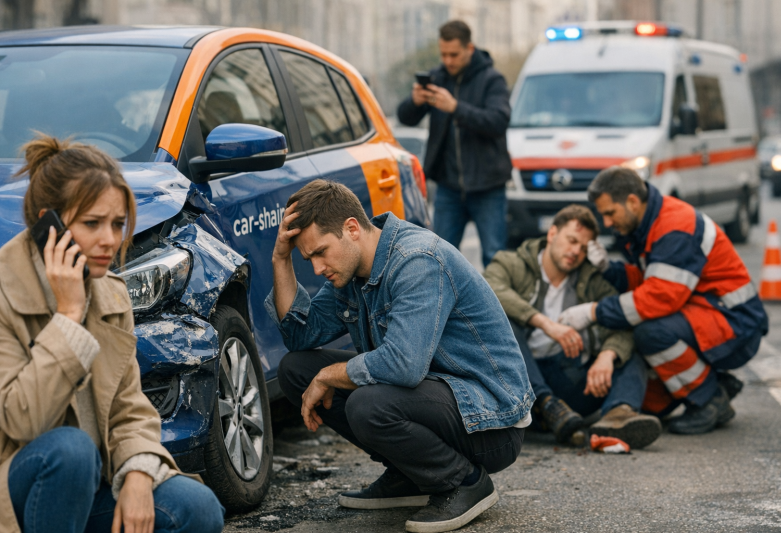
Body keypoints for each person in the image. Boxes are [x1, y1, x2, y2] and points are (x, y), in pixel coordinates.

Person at [268, 180, 532, 533]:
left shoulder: (416, 260)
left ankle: (464, 482)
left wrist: (330, 375)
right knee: (296, 370)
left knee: (367, 404)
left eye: (321, 252)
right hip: (437, 400)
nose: (317, 268)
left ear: (351, 229)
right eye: (309, 258)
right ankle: (411, 473)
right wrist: (280, 258)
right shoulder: (352, 272)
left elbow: (404, 365)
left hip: (489, 423)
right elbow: (299, 336)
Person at [0, 135, 224, 533]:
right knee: (71, 452)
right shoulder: (5, 290)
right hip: (16, 490)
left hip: (89, 484)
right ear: (48, 224)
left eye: (118, 224)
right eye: (92, 223)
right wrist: (68, 317)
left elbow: (129, 408)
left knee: (197, 508)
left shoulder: (109, 292)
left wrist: (138, 470)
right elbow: (19, 421)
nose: (110, 240)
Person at [559, 167, 769, 435]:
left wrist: (594, 312)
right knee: (654, 403)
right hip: (714, 313)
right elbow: (651, 280)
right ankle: (714, 384)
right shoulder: (652, 222)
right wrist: (610, 270)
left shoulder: (675, 227)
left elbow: (659, 297)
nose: (607, 223)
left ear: (632, 202)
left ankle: (710, 398)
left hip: (735, 323)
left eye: (610, 213)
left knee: (650, 333)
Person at [484, 205, 661, 449]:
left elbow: (620, 323)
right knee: (503, 324)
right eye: (572, 240)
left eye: (584, 247)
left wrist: (607, 356)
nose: (576, 251)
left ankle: (618, 417)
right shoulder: (512, 262)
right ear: (552, 234)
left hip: (567, 381)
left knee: (627, 352)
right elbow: (489, 289)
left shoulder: (591, 278)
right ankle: (546, 405)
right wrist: (546, 324)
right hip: (516, 383)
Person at [396, 20, 512, 267]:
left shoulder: (492, 79)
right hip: (448, 187)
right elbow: (405, 118)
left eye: (454, 54)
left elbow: (499, 121)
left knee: (495, 258)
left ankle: (495, 296)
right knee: (439, 258)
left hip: (488, 185)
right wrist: (415, 101)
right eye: (444, 54)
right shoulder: (437, 78)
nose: (448, 61)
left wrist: (456, 108)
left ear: (469, 48)